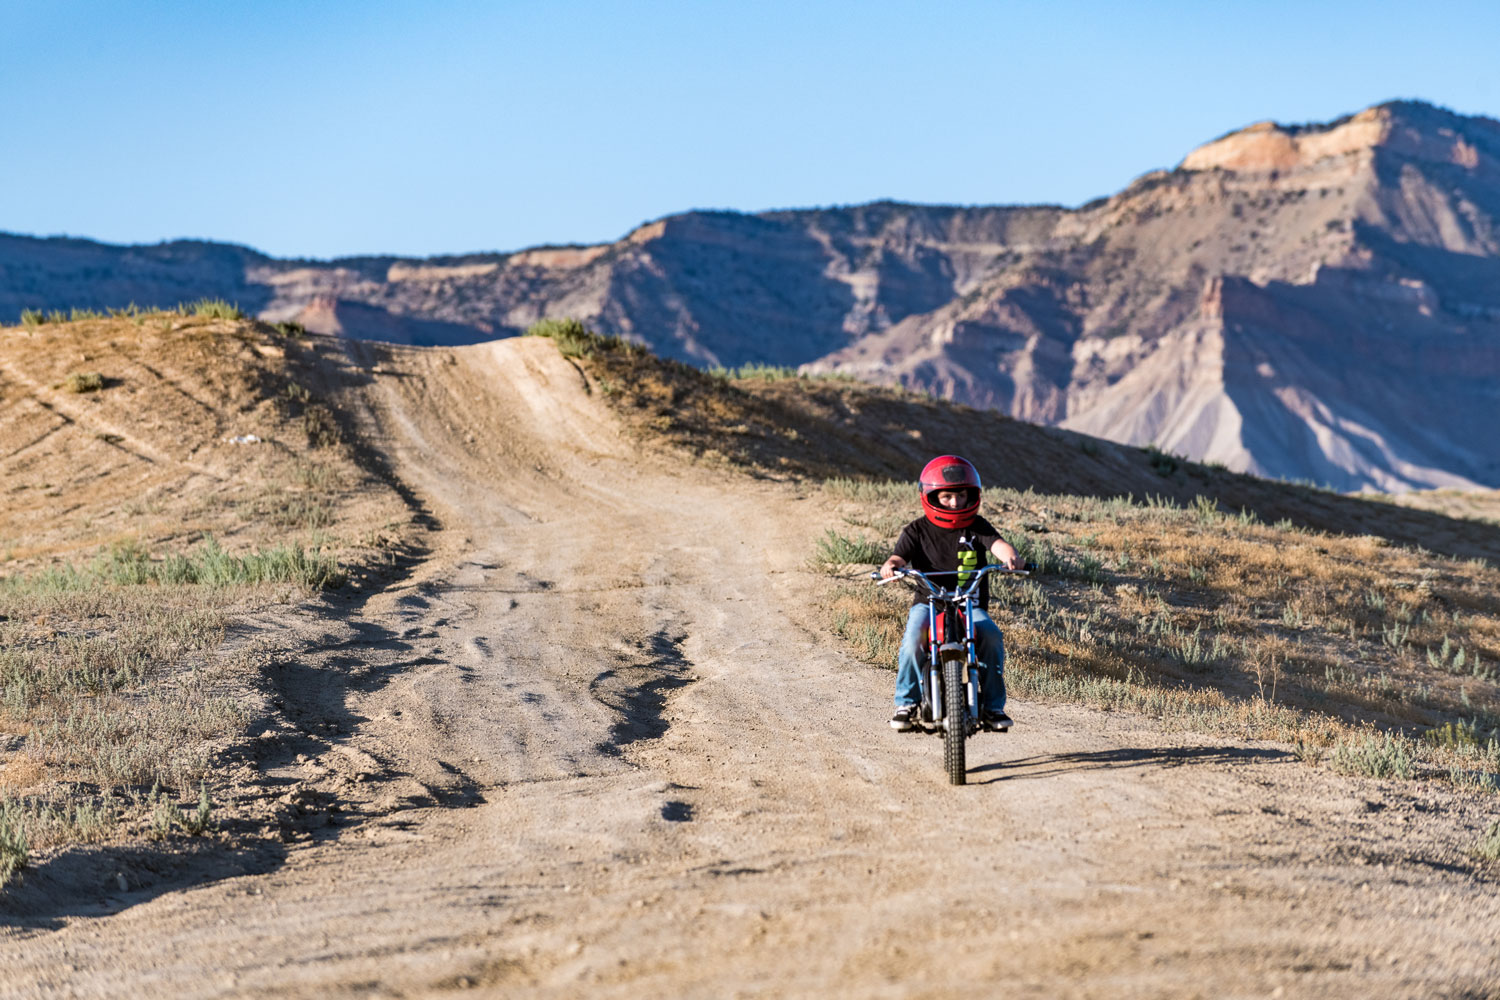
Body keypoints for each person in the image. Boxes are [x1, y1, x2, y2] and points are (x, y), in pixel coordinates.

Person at [879, 455, 1021, 733]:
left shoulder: (977, 526)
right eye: (947, 497)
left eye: (961, 495)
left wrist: (1011, 557)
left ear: (972, 496)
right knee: (912, 641)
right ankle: (906, 704)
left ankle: (993, 707)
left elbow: (998, 545)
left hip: (969, 604)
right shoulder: (917, 530)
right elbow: (898, 557)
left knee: (991, 636)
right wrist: (891, 566)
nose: (955, 503)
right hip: (929, 603)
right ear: (931, 497)